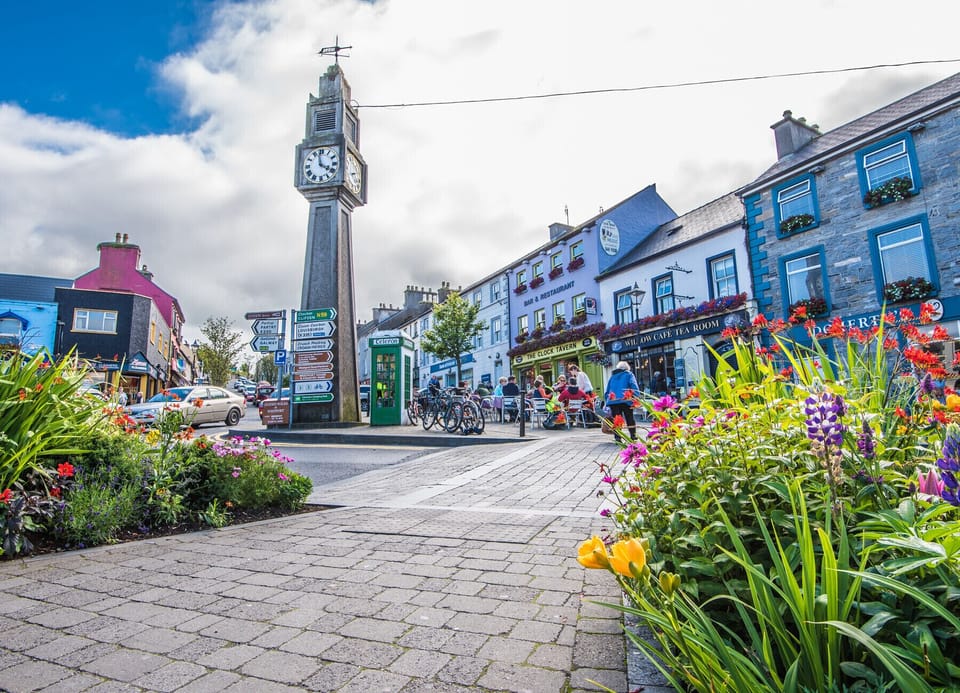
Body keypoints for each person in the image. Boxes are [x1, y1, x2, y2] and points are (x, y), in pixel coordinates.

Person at [604, 360, 642, 441]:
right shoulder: (629, 374)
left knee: (616, 420)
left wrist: (607, 400)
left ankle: (617, 437)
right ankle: (633, 436)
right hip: (626, 400)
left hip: (613, 401)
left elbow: (607, 390)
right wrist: (637, 397)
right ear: (626, 368)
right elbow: (633, 385)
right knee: (629, 418)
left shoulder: (612, 376)